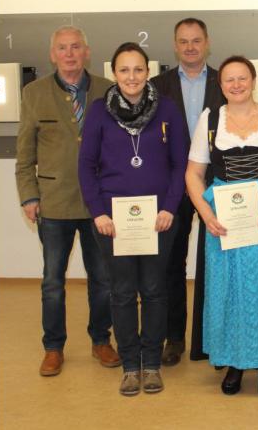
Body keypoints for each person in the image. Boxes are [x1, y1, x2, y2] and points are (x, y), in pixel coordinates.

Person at [184, 55, 258, 396]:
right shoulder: (210, 119)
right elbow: (193, 173)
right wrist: (206, 214)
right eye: (229, 80)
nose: (236, 85)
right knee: (228, 289)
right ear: (221, 86)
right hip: (224, 218)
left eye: (242, 78)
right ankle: (234, 362)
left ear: (253, 80)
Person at [78, 42, 188, 396]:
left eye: (138, 69)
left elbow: (179, 163)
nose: (132, 77)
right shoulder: (98, 111)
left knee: (155, 290)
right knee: (123, 292)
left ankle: (152, 363)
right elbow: (86, 166)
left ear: (148, 71)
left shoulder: (167, 109)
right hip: (114, 221)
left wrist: (171, 206)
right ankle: (129, 365)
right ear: (114, 73)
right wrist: (98, 212)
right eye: (124, 70)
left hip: (159, 218)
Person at [15, 25, 120, 377]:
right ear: (52, 54)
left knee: (103, 278)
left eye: (76, 47)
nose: (70, 54)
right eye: (62, 48)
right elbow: (25, 153)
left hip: (99, 206)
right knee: (52, 282)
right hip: (54, 203)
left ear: (87, 51)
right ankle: (53, 347)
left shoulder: (108, 91)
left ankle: (100, 341)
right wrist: (29, 195)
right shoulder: (33, 93)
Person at [151, 17, 225, 365]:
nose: (191, 47)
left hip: (218, 184)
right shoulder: (157, 85)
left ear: (207, 43)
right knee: (171, 263)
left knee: (219, 262)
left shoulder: (225, 81)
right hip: (173, 185)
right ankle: (174, 338)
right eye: (184, 41)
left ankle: (213, 336)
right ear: (175, 45)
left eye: (197, 40)